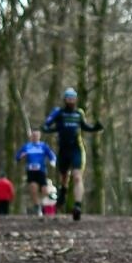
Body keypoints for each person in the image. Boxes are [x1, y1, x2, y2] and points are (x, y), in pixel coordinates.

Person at [41, 87, 103, 221]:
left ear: (76, 99)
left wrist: (96, 128)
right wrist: (49, 128)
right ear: (65, 99)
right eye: (68, 98)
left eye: (73, 98)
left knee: (77, 177)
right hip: (63, 149)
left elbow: (85, 127)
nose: (71, 101)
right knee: (64, 176)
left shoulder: (79, 113)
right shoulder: (59, 113)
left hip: (77, 148)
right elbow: (47, 125)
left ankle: (77, 206)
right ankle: (62, 191)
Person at [15, 129, 56, 216]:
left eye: (37, 135)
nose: (35, 137)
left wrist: (52, 161)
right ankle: (37, 206)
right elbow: (17, 156)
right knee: (33, 188)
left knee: (44, 190)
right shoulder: (26, 146)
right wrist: (21, 156)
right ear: (31, 136)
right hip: (31, 171)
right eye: (33, 135)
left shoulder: (43, 146)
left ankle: (41, 204)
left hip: (41, 171)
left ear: (39, 136)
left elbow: (51, 154)